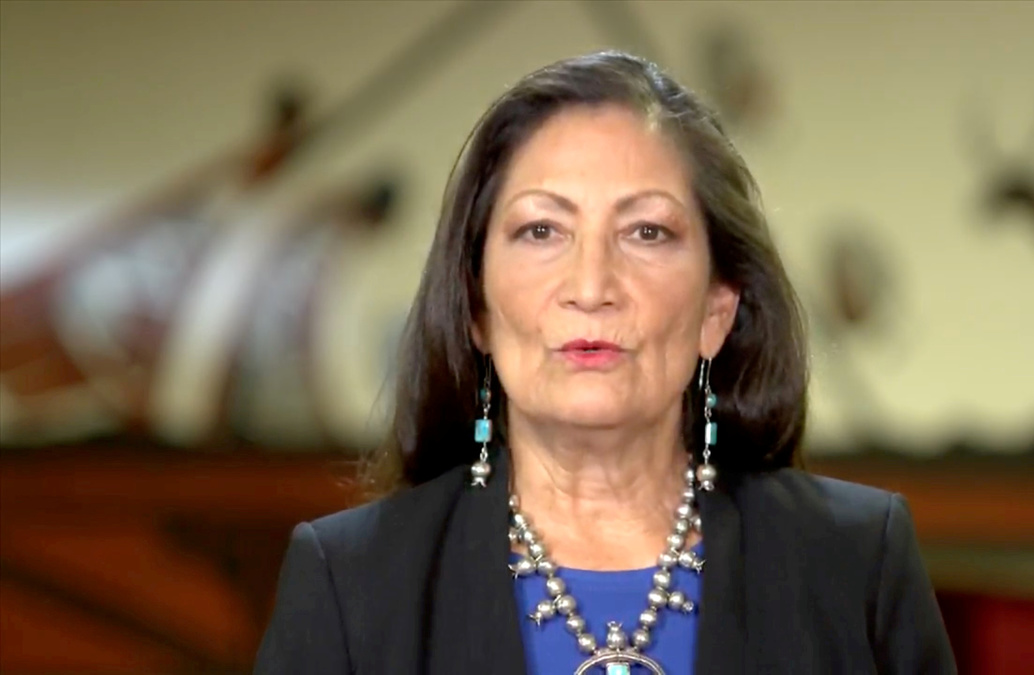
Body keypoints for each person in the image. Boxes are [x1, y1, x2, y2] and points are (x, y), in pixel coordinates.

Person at [254, 50, 956, 675]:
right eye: (542, 230)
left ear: (717, 308)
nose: (591, 287)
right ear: (476, 306)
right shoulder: (354, 580)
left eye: (646, 231)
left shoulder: (853, 562)